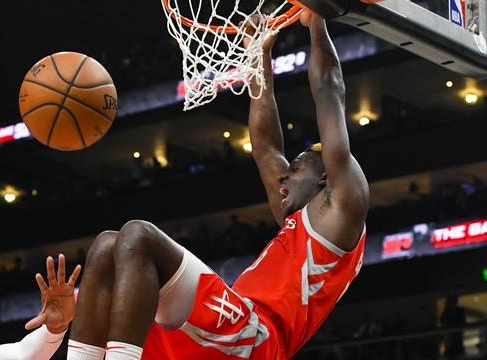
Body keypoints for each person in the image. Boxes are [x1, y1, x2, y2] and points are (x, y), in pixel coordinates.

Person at [66, 11, 369, 360]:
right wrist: (259, 54)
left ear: (324, 176)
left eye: (294, 169)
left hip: (258, 339)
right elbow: (267, 147)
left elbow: (330, 92)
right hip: (227, 331)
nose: (282, 177)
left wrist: (317, 21)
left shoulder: (345, 207)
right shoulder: (297, 219)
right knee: (106, 246)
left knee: (139, 236)